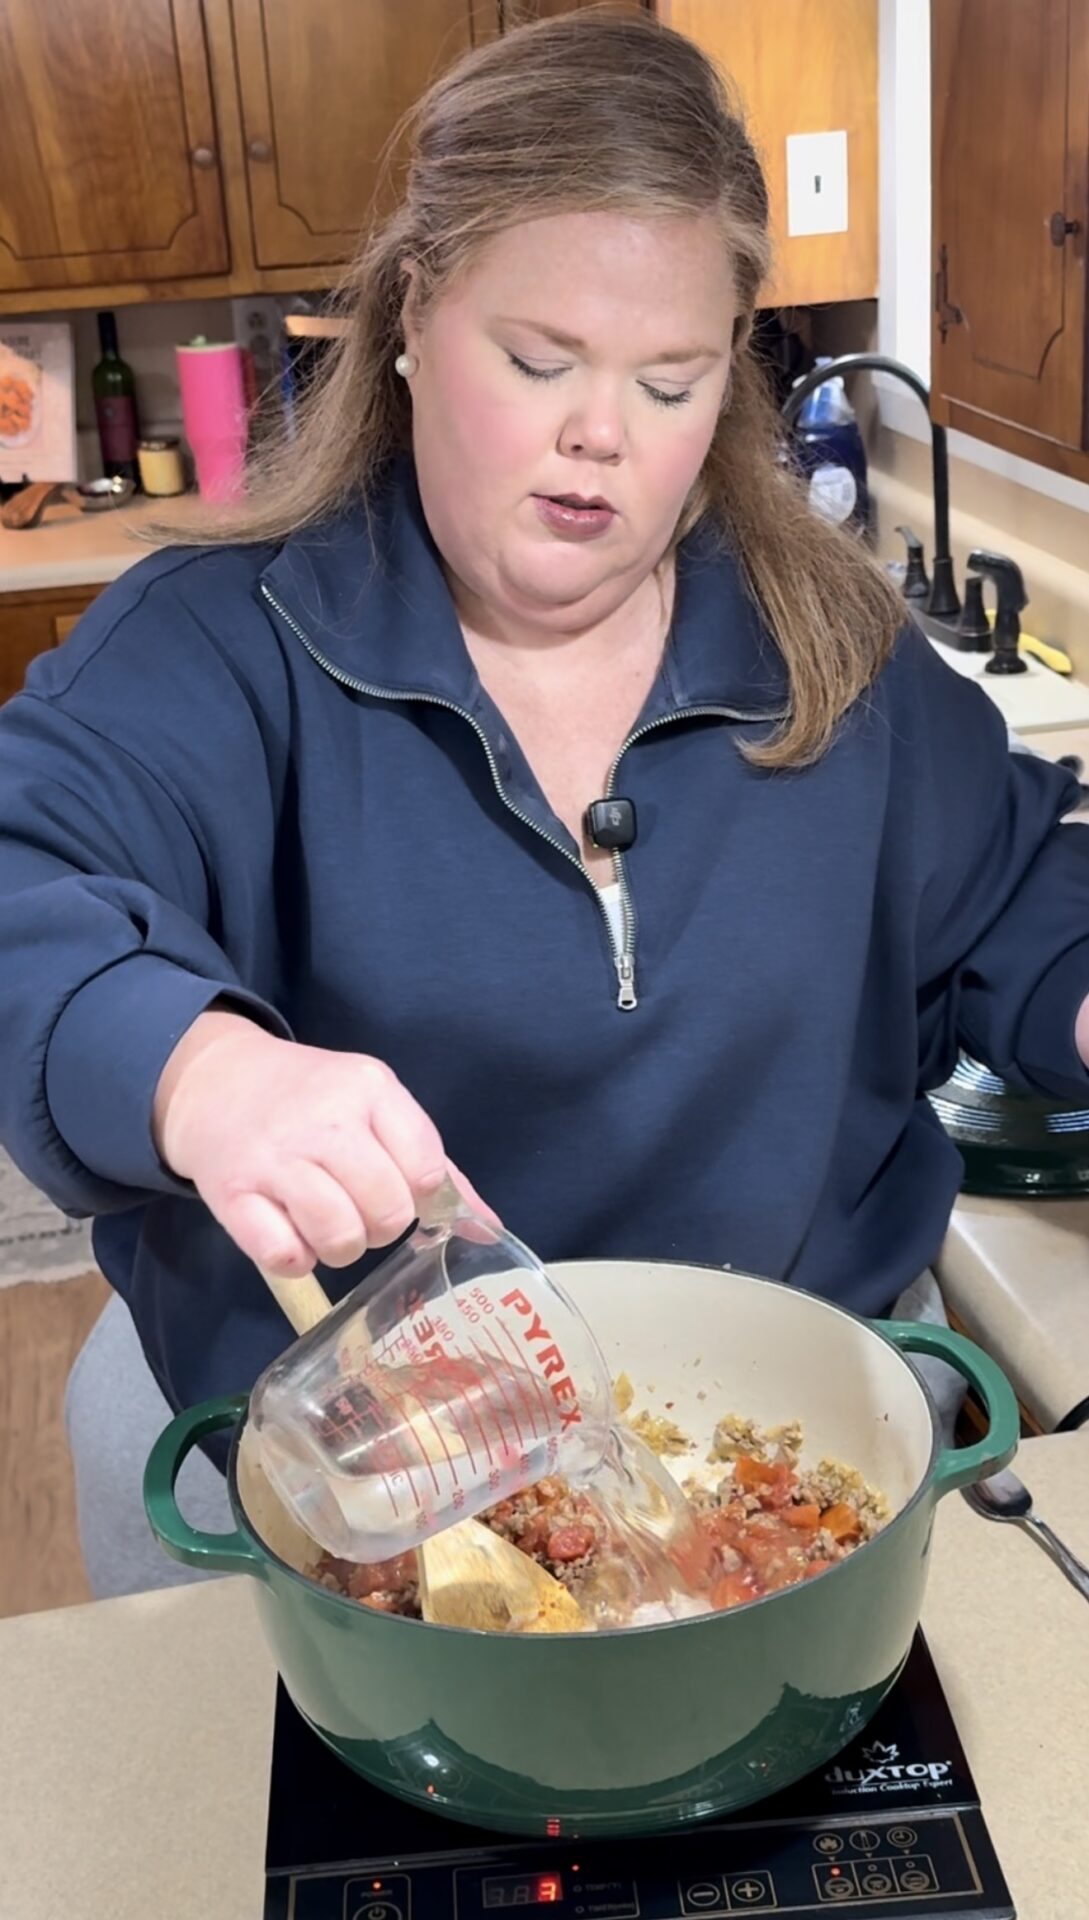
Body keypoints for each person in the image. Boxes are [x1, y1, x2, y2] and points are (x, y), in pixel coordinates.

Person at [2, 12, 1088, 1595]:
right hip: (353, 1502)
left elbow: (1011, 890)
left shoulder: (831, 657)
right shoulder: (220, 648)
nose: (603, 436)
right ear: (407, 319)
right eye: (539, 361)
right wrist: (197, 1067)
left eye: (670, 381)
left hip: (789, 1468)